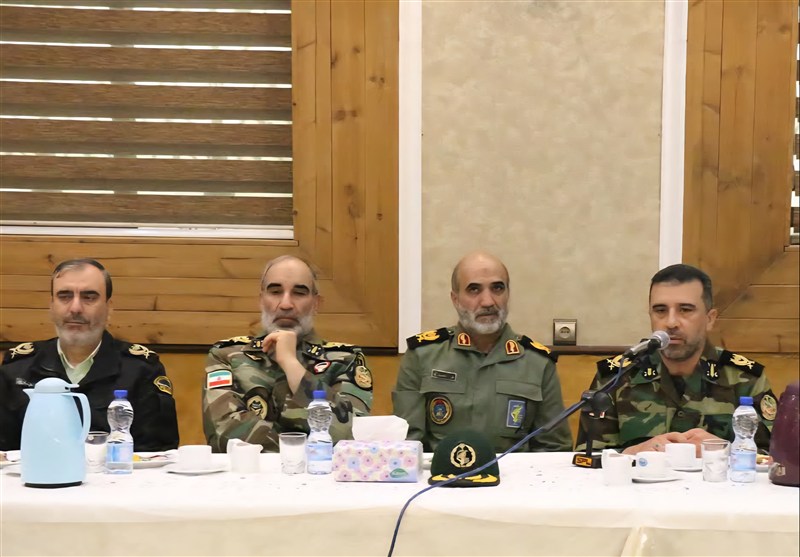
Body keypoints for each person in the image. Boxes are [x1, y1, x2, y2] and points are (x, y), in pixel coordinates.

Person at [576, 264, 778, 455]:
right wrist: (632, 453)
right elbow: (587, 456)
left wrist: (724, 451)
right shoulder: (617, 375)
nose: (671, 322)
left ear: (710, 319)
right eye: (660, 310)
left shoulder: (744, 378)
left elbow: (775, 457)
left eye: (685, 310)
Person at [392, 251, 573, 453]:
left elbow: (554, 449)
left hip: (513, 473)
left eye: (497, 288)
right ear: (455, 299)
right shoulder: (422, 356)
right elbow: (407, 446)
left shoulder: (537, 362)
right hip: (440, 472)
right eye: (474, 290)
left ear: (508, 295)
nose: (488, 302)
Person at [0, 258, 179, 451]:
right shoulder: (17, 369)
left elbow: (158, 454)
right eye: (64, 296)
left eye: (89, 297)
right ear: (51, 306)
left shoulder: (141, 370)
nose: (75, 308)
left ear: (109, 308)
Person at [202, 255, 373, 452]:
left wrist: (291, 364)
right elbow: (224, 435)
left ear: (316, 303)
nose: (286, 304)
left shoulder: (345, 360)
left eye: (299, 293)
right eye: (275, 292)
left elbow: (348, 436)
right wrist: (304, 448)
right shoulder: (227, 356)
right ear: (261, 300)